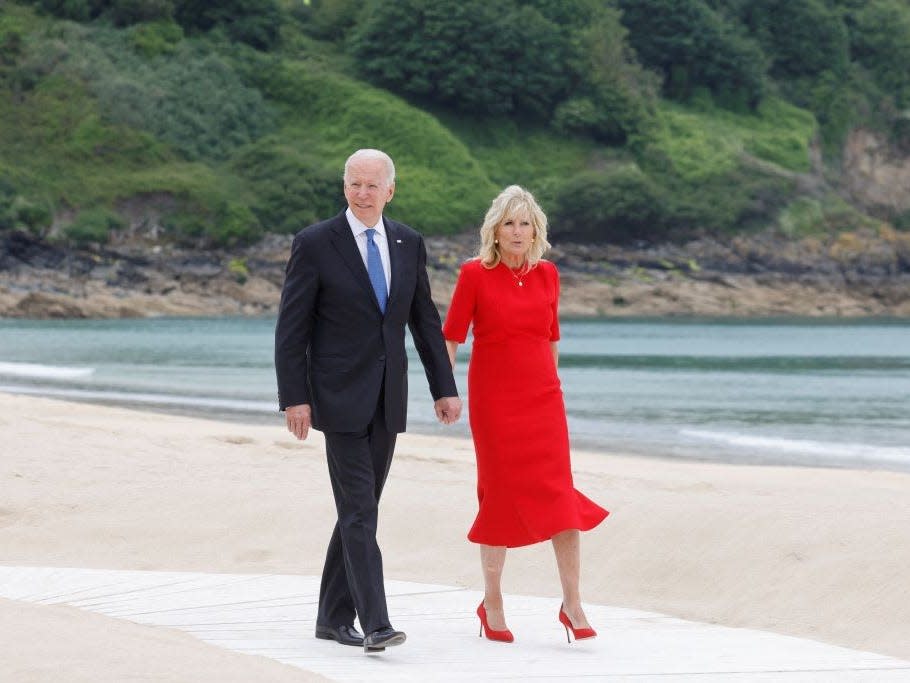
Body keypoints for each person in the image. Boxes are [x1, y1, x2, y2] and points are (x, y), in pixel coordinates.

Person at [275, 148, 462, 654]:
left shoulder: (407, 242)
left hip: (387, 399)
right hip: (335, 399)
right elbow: (291, 329)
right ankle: (375, 622)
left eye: (371, 185)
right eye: (354, 183)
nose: (362, 192)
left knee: (359, 508)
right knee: (360, 512)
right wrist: (294, 397)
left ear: (390, 190)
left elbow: (424, 320)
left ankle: (331, 617)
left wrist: (443, 387)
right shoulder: (315, 243)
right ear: (344, 188)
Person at [442, 185, 608, 644]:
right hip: (495, 402)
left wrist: (550, 389)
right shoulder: (474, 274)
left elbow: (551, 337)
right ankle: (492, 601)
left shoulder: (548, 274)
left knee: (560, 498)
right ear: (494, 231)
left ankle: (572, 603)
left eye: (525, 223)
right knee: (497, 495)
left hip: (543, 402)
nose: (517, 232)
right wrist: (445, 390)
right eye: (508, 223)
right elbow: (451, 337)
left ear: (536, 230)